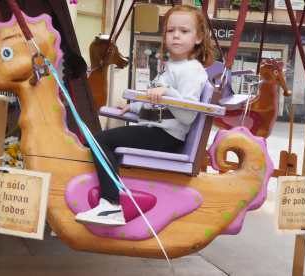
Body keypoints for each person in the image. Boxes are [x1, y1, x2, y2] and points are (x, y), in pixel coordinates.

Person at [75, 5, 216, 227]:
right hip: (158, 130)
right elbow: (160, 106)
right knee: (99, 139)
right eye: (170, 31)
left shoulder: (191, 70)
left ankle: (111, 205)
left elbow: (187, 115)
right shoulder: (172, 66)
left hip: (167, 137)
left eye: (184, 31)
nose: (176, 35)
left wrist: (168, 92)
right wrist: (133, 107)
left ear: (198, 38)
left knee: (102, 141)